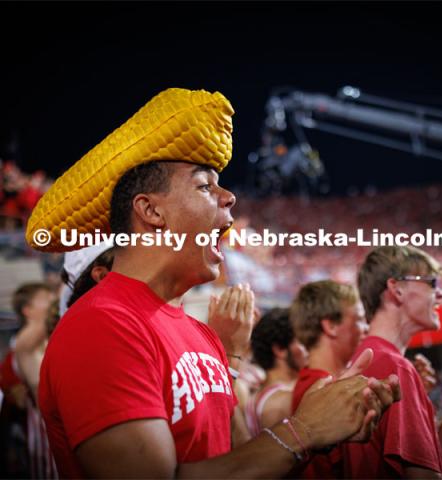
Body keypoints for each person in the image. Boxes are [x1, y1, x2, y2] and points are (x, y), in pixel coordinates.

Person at [27, 88, 400, 478]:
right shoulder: (101, 324)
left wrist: (323, 419)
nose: (230, 197)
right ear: (151, 211)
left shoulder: (200, 334)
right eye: (205, 186)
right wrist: (303, 430)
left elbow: (235, 459)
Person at [342, 245, 442, 479]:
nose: (441, 294)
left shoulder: (374, 356)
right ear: (396, 290)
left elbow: (434, 464)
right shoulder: (393, 366)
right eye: (432, 283)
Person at [289, 280, 369, 478]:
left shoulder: (311, 383)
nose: (366, 328)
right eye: (358, 319)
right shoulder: (326, 391)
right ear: (331, 326)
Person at [11, 283, 57, 478]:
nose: (53, 303)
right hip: (44, 434)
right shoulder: (23, 342)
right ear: (28, 311)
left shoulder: (46, 339)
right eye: (47, 299)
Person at [245, 308, 308, 435]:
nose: (309, 348)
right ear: (280, 349)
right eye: (302, 341)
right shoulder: (280, 401)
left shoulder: (260, 392)